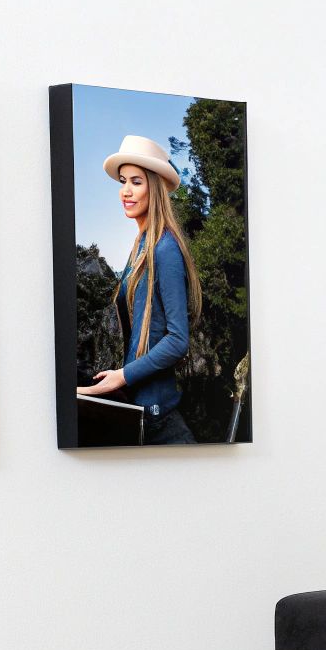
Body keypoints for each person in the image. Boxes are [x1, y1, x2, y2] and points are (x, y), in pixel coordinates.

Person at [77, 135, 203, 444]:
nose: (126, 192)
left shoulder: (165, 249)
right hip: (137, 409)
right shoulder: (140, 248)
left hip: (157, 417)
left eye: (136, 182)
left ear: (155, 188)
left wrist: (121, 376)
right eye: (123, 181)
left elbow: (177, 340)